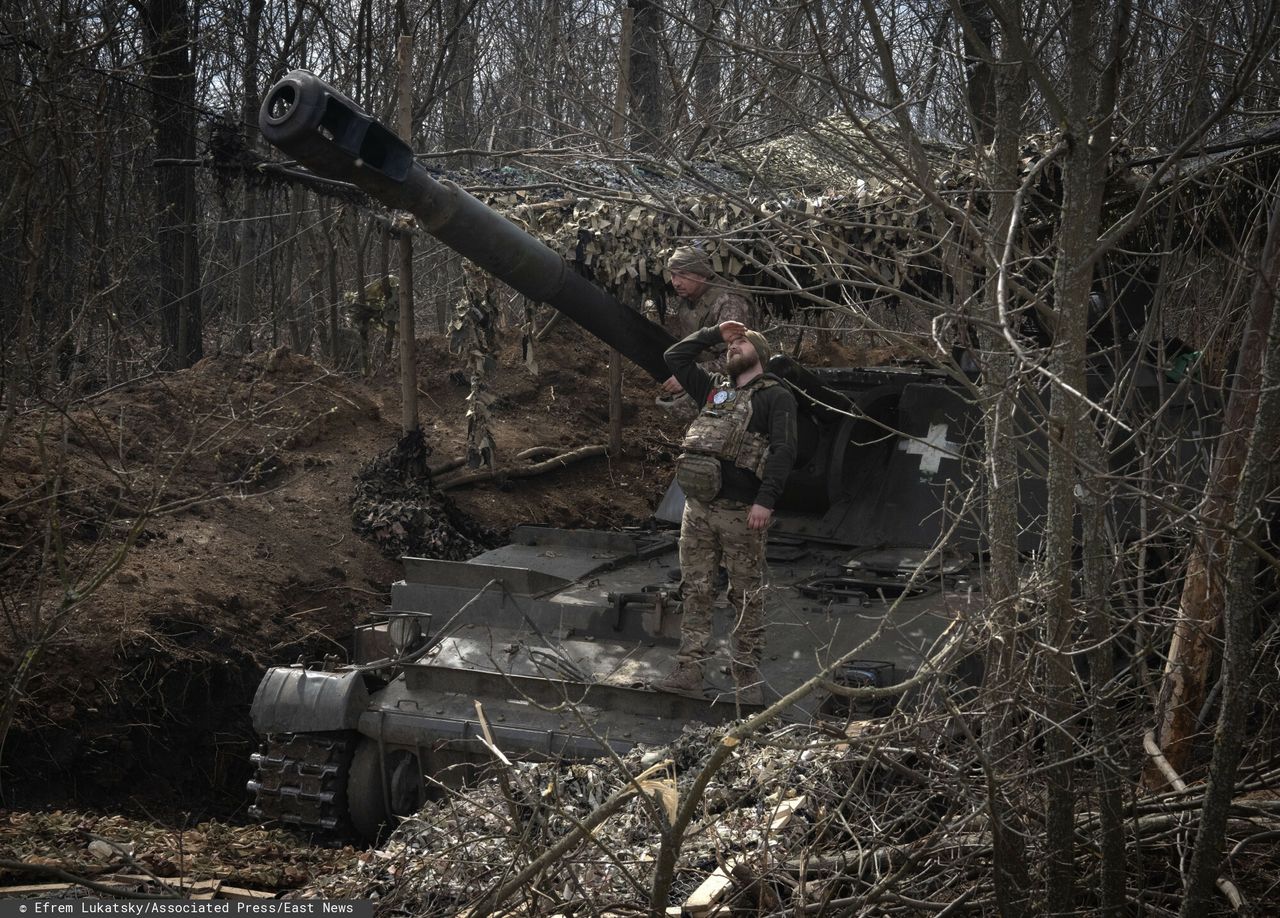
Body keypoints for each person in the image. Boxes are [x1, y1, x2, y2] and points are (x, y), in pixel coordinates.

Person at [656, 320, 797, 705]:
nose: (734, 348)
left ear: (761, 355)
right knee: (697, 589)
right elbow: (674, 356)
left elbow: (784, 451)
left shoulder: (775, 397)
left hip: (741, 512)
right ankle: (689, 669)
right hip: (699, 508)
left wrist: (765, 501)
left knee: (746, 594)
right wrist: (714, 333)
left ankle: (745, 672)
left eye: (742, 343)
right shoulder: (713, 391)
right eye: (731, 345)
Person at [659, 245, 759, 401]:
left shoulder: (729, 302)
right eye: (673, 275)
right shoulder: (690, 300)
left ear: (702, 275)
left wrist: (687, 376)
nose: (676, 282)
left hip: (737, 389)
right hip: (707, 382)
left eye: (683, 274)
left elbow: (736, 360)